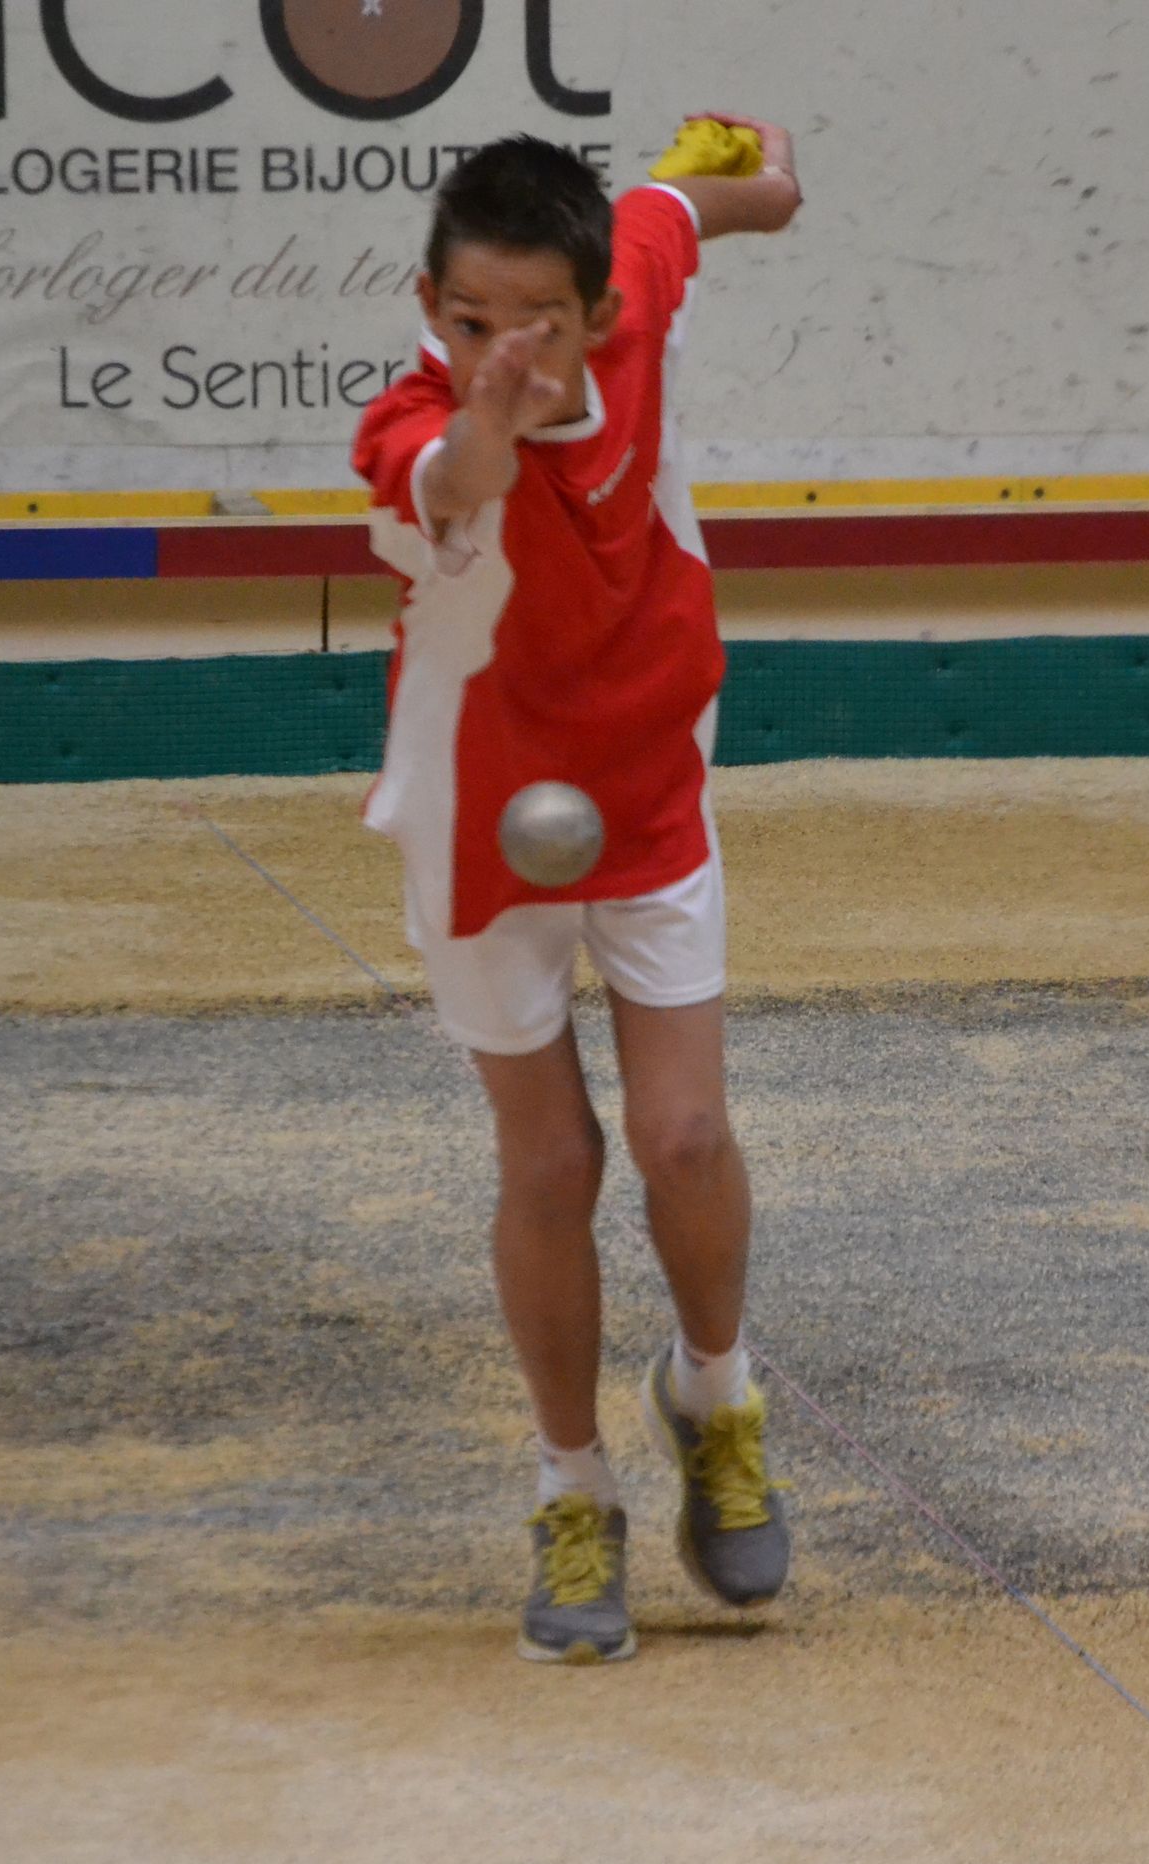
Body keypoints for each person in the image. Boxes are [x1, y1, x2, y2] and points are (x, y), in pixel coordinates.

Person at [348, 121, 804, 1664]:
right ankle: (572, 1490)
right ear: (433, 301)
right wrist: (486, 408)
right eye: (471, 317)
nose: (506, 350)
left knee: (686, 1139)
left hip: (649, 780)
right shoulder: (417, 423)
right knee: (551, 1162)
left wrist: (759, 180)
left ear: (601, 308)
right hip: (479, 822)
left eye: (540, 321)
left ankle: (715, 1399)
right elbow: (457, 474)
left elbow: (699, 198)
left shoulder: (642, 284)